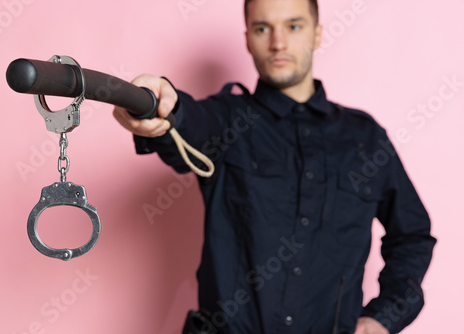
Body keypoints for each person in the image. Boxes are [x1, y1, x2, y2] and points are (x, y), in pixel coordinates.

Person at [113, 0, 436, 333]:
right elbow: (186, 121)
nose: (278, 43)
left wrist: (383, 317)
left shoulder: (365, 138)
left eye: (293, 26)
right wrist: (157, 105)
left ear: (316, 34)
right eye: (262, 28)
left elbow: (412, 235)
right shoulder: (227, 120)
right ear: (248, 39)